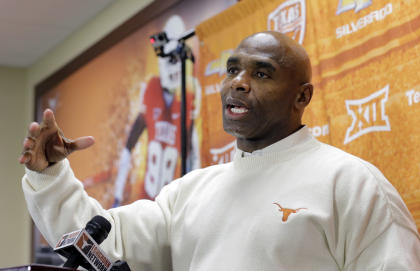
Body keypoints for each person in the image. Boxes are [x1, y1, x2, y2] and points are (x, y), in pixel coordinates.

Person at [20, 31, 420, 270]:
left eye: (261, 73)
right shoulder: (189, 192)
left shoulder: (352, 183)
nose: (237, 84)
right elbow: (99, 246)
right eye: (232, 70)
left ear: (302, 96)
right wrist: (49, 175)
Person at [113, 15, 200, 207]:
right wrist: (118, 195)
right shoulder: (151, 87)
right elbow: (129, 146)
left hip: (171, 204)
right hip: (145, 200)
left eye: (175, 59)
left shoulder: (189, 96)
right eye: (169, 60)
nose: (172, 64)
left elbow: (193, 157)